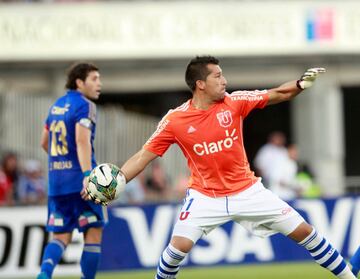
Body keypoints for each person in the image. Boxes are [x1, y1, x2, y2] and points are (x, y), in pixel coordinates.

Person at [91, 56, 354, 279]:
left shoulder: (234, 101)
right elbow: (143, 156)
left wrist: (300, 84)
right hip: (205, 196)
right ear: (200, 84)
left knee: (305, 232)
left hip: (248, 191)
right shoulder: (175, 120)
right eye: (217, 76)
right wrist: (118, 180)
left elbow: (277, 93)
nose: (224, 81)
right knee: (176, 250)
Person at [37, 62, 106, 279]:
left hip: (56, 182)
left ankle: (44, 273)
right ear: (79, 82)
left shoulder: (56, 105)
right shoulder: (85, 106)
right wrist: (87, 175)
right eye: (94, 79)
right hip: (82, 181)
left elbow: (44, 142)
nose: (99, 84)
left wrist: (62, 164)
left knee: (60, 236)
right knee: (94, 232)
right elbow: (82, 140)